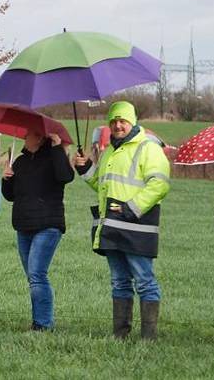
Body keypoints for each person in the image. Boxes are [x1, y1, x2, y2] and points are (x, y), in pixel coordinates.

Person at [73, 101, 171, 341]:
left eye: (122, 121)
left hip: (137, 227)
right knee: (119, 282)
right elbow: (102, 185)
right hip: (112, 227)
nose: (118, 125)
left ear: (132, 122)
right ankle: (120, 335)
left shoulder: (148, 147)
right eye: (114, 121)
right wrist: (86, 169)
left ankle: (149, 337)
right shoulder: (110, 150)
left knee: (144, 281)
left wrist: (131, 208)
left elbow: (159, 184)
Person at [2, 131, 73, 331]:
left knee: (37, 274)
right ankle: (38, 321)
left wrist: (58, 148)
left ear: (40, 138)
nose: (25, 136)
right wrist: (7, 179)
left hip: (48, 225)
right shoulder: (21, 162)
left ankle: (43, 324)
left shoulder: (54, 159)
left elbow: (66, 176)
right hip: (24, 226)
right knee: (33, 277)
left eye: (29, 133)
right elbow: (10, 196)